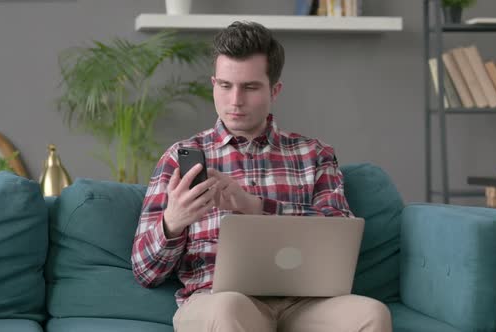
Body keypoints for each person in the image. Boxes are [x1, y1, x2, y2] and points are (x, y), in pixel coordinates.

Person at [131, 21, 392, 332]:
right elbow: (146, 272)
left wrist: (254, 206)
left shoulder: (314, 155)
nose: (235, 100)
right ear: (213, 83)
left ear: (275, 90)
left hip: (305, 303)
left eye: (250, 87)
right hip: (218, 299)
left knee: (372, 314)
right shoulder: (181, 156)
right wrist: (172, 222)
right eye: (225, 86)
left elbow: (342, 234)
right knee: (229, 309)